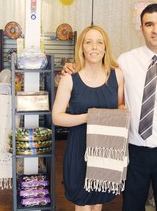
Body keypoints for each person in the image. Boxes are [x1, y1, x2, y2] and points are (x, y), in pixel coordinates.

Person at [62, 3, 157, 211]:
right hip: (133, 149)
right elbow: (95, 74)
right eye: (149, 24)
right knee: (131, 205)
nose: (155, 29)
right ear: (141, 28)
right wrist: (71, 68)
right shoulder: (125, 62)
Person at [52, 25, 124, 211]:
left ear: (106, 47)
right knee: (82, 203)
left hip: (105, 148)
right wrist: (90, 117)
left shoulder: (117, 75)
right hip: (79, 148)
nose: (94, 47)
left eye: (100, 42)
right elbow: (57, 117)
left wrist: (122, 113)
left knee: (97, 200)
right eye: (89, 42)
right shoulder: (70, 78)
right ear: (81, 47)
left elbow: (120, 106)